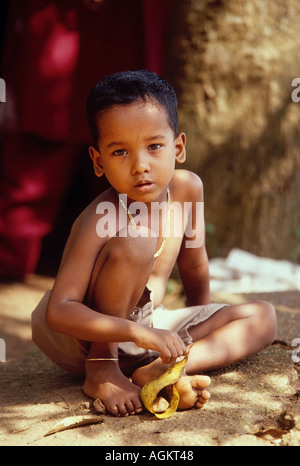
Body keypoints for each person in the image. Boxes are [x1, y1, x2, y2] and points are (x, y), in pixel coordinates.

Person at [32, 70, 277, 417]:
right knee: (138, 242)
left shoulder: (187, 190)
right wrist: (134, 334)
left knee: (263, 317)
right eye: (120, 152)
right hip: (87, 336)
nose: (140, 166)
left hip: (149, 328)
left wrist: (197, 325)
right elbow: (59, 310)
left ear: (178, 148)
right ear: (98, 162)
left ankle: (166, 369)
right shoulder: (102, 215)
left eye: (154, 146)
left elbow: (194, 265)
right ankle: (102, 369)